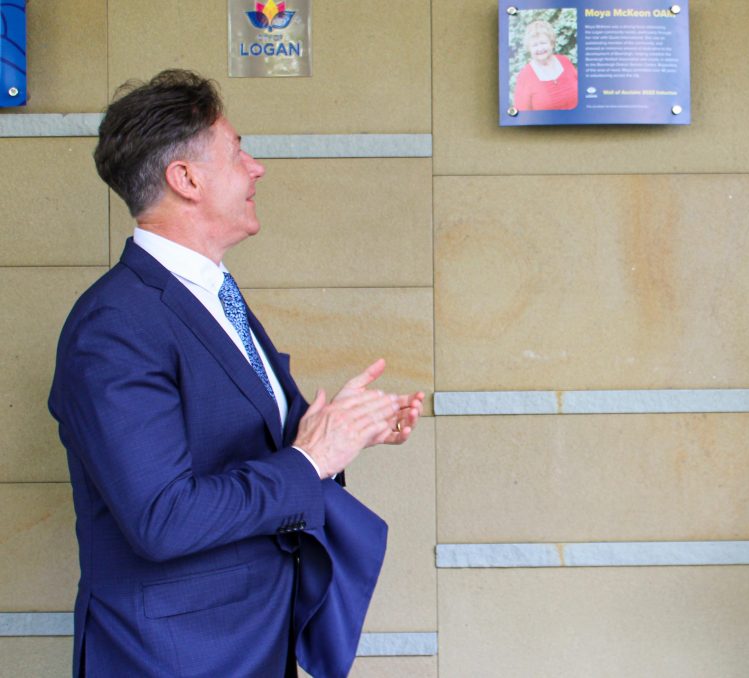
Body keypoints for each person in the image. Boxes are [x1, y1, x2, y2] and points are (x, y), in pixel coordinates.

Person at [48, 70, 425, 677]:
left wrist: (347, 428)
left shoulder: (210, 293)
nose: (257, 168)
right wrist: (311, 460)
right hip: (173, 657)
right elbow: (162, 518)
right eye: (236, 151)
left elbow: (247, 440)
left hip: (250, 637)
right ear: (186, 179)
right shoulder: (114, 325)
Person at [512, 19, 578, 111]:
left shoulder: (564, 61)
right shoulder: (525, 76)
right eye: (535, 45)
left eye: (543, 43)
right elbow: (522, 116)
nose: (540, 48)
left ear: (551, 43)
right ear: (529, 48)